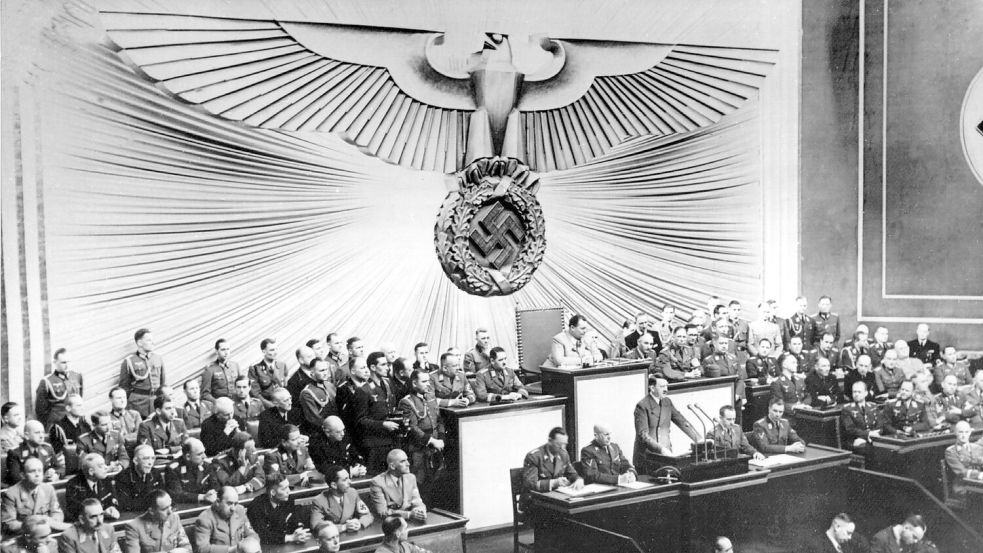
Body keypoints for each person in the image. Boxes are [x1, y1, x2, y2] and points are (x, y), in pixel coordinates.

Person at [399, 370, 446, 504]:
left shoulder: (431, 397)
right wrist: (431, 441)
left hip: (436, 448)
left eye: (429, 381)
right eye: (424, 381)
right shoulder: (407, 402)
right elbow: (412, 428)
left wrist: (441, 438)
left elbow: (439, 420)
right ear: (414, 383)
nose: (428, 385)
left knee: (435, 482)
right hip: (419, 450)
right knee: (420, 484)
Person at [633, 376, 701, 466]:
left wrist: (699, 440)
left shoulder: (667, 402)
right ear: (652, 388)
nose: (666, 389)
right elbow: (643, 435)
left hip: (666, 453)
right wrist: (661, 449)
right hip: (648, 456)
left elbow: (681, 421)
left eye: (666, 386)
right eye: (662, 387)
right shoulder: (642, 406)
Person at [354, 351, 401, 473]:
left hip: (392, 439)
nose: (387, 367)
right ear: (373, 367)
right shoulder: (363, 390)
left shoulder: (388, 383)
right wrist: (383, 425)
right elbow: (360, 420)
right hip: (375, 444)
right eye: (383, 365)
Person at [1, 457, 68, 534]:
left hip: (47, 531)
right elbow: (9, 523)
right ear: (23, 475)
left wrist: (53, 522)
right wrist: (35, 525)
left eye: (40, 471)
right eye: (32, 471)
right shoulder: (11, 494)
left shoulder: (48, 489)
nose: (37, 474)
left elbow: (57, 513)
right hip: (25, 535)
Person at [245, 473, 310, 545]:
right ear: (272, 492)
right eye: (284, 488)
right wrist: (290, 538)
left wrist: (298, 530)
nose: (288, 491)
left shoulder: (287, 499)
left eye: (288, 487)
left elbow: (295, 518)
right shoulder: (256, 507)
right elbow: (263, 535)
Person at [192, 487, 259, 553]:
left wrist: (250, 544)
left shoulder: (239, 510)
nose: (233, 508)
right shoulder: (204, 519)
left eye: (235, 504)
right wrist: (232, 550)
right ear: (218, 502)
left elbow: (252, 535)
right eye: (229, 503)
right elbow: (202, 549)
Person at [310, 465, 374, 533]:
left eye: (349, 478)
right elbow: (316, 525)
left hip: (351, 534)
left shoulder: (352, 493)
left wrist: (359, 523)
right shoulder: (319, 501)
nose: (350, 482)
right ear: (334, 485)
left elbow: (367, 515)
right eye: (345, 480)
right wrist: (344, 527)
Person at [123, 490, 190, 553]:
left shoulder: (174, 518)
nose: (170, 511)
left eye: (170, 506)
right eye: (164, 509)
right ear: (151, 511)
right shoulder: (134, 527)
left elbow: (187, 547)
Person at [119, 328, 166, 418]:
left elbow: (162, 382)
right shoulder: (129, 361)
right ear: (140, 343)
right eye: (149, 340)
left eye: (152, 340)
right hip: (138, 404)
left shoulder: (158, 358)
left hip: (156, 401)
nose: (152, 343)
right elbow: (124, 388)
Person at [369, 449, 427, 521]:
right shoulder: (377, 482)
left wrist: (420, 510)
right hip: (390, 524)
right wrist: (409, 514)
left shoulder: (411, 478)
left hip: (410, 522)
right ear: (392, 466)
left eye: (407, 460)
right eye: (403, 461)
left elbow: (417, 501)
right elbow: (383, 512)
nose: (408, 464)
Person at [35, 347, 83, 429]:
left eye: (69, 362)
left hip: (76, 423)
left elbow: (80, 400)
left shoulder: (77, 377)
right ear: (55, 362)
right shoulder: (47, 381)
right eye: (63, 362)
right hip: (57, 425)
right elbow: (41, 410)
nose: (67, 365)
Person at [4, 421, 64, 486]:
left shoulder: (47, 448)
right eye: (37, 433)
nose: (41, 436)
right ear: (27, 436)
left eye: (43, 432)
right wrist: (44, 478)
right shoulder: (15, 453)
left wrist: (55, 475)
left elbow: (60, 468)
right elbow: (16, 479)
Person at [64, 453, 120, 522]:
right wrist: (102, 513)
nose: (106, 467)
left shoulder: (106, 480)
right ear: (91, 471)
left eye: (105, 464)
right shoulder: (73, 485)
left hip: (105, 521)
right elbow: (77, 511)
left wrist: (112, 508)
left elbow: (113, 499)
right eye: (101, 466)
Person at [165, 438, 218, 505]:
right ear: (188, 456)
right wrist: (203, 497)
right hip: (185, 508)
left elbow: (216, 487)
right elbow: (177, 495)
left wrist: (212, 494)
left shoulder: (206, 465)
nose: (204, 456)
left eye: (204, 452)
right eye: (199, 454)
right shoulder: (173, 469)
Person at [58, 498, 122, 553]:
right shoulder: (69, 537)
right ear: (82, 519)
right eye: (93, 517)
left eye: (101, 515)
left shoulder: (108, 529)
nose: (99, 521)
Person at [47, 394, 90, 474]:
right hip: (70, 469)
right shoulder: (58, 428)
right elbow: (58, 455)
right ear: (68, 408)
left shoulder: (86, 425)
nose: (82, 408)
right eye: (78, 406)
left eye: (82, 405)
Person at [702, 335, 748, 408]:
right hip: (720, 397)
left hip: (736, 396)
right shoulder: (709, 360)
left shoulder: (733, 358)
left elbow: (740, 378)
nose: (724, 346)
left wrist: (737, 394)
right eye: (721, 343)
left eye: (725, 343)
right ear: (714, 344)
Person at [117, 444, 165, 512]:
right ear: (135, 461)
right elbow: (127, 505)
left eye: (153, 458)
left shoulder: (155, 473)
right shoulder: (123, 477)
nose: (150, 463)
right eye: (146, 458)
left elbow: (163, 496)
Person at [300, 358, 338, 437]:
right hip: (325, 433)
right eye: (321, 371)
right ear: (312, 373)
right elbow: (315, 419)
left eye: (326, 370)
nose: (325, 373)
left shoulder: (329, 385)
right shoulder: (307, 393)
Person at [944, 420, 983, 496]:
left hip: (979, 483)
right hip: (963, 486)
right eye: (960, 432)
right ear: (955, 433)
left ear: (970, 433)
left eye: (966, 432)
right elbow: (961, 471)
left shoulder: (976, 448)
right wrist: (979, 475)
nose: (963, 435)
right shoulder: (951, 451)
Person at [841, 381, 883, 452]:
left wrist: (873, 435)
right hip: (855, 440)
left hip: (874, 438)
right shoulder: (847, 409)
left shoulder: (873, 406)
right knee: (871, 449)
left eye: (859, 392)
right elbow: (850, 429)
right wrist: (867, 435)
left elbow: (880, 425)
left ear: (866, 393)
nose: (856, 394)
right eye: (854, 392)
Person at [248, 338, 287, 409]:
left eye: (276, 349)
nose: (275, 352)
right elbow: (255, 393)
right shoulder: (255, 369)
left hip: (284, 404)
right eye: (272, 350)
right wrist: (271, 406)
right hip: (266, 407)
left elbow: (285, 386)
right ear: (263, 351)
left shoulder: (282, 365)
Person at [201, 338, 242, 404]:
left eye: (228, 349)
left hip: (237, 403)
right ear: (216, 351)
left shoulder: (235, 365)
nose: (226, 352)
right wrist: (217, 402)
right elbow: (205, 394)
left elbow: (243, 385)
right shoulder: (210, 369)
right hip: (221, 406)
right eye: (223, 350)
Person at [286, 346, 318, 422]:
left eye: (314, 356)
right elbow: (294, 408)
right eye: (310, 357)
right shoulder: (294, 381)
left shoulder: (321, 372)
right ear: (301, 360)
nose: (314, 359)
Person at [108, 386, 143, 451]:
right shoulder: (108, 419)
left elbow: (140, 434)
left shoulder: (135, 415)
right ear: (111, 399)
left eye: (124, 397)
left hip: (136, 450)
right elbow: (112, 442)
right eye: (119, 398)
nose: (122, 400)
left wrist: (122, 438)